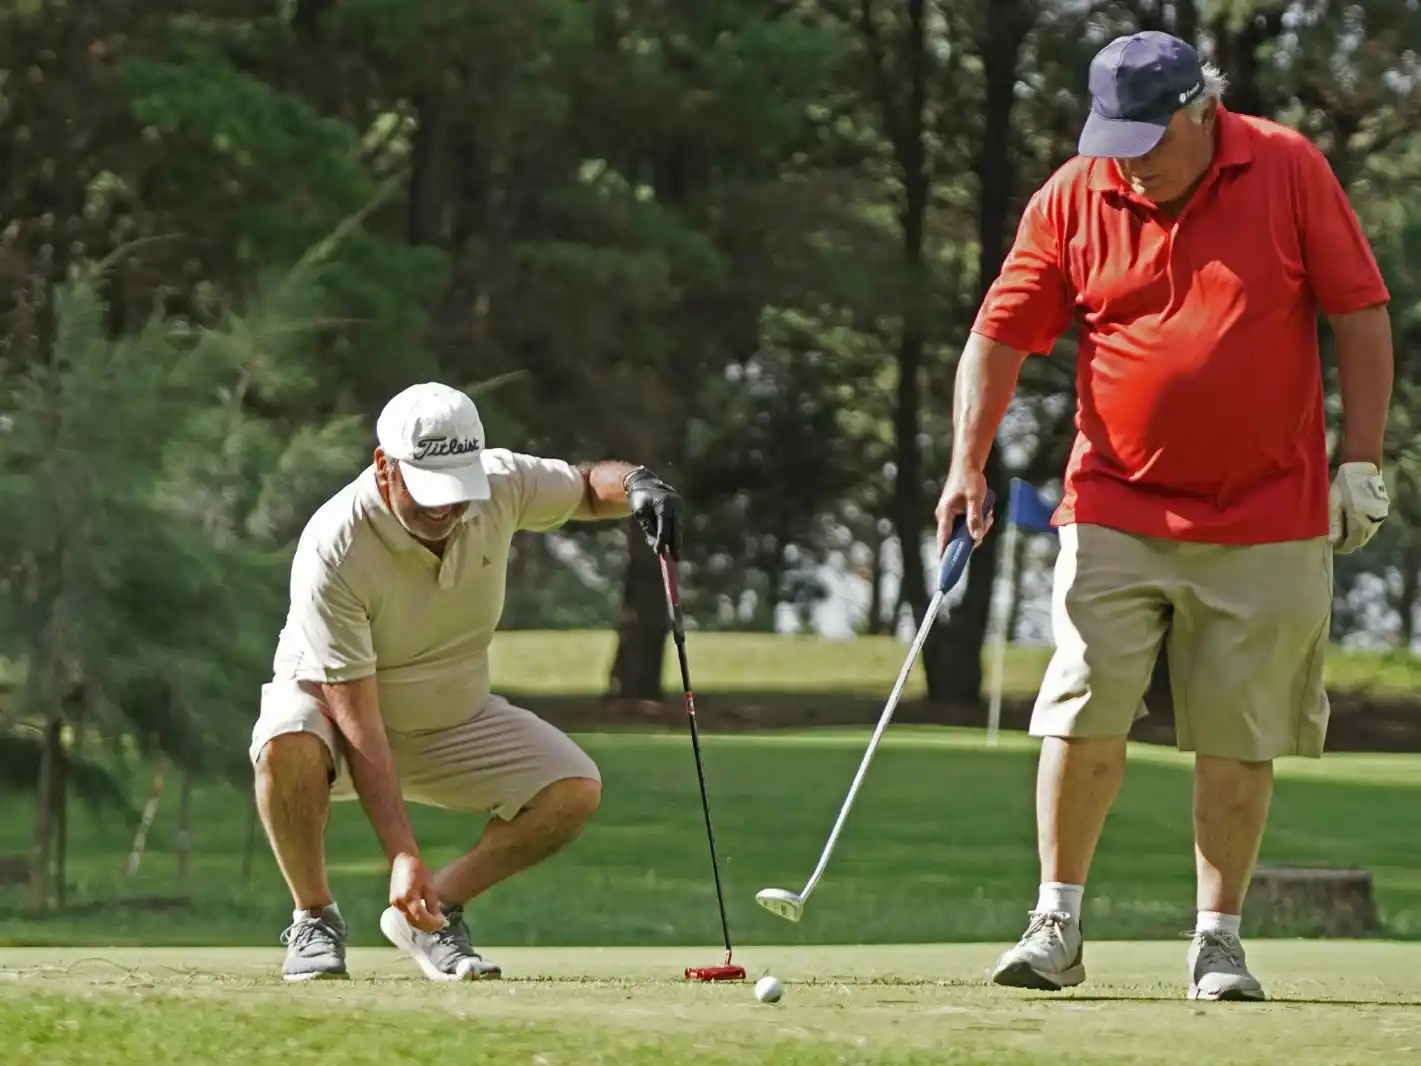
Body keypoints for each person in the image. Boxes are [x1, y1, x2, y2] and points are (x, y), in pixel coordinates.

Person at [935, 31, 1392, 1001]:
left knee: (1238, 730)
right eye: (1113, 139)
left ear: (1200, 111)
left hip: (1267, 508)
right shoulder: (1074, 191)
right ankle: (1054, 922)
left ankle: (1215, 942)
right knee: (1081, 694)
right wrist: (964, 464)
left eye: (1148, 138)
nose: (1130, 160)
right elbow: (997, 333)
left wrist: (1358, 463)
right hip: (1111, 497)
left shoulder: (1284, 166)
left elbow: (1358, 310)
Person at [250, 381, 684, 982]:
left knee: (571, 789)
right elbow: (357, 715)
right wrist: (402, 854)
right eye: (429, 495)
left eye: (456, 493)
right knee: (286, 743)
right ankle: (314, 918)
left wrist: (635, 483)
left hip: (452, 719)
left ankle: (433, 914)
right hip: (339, 723)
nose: (445, 511)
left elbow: (586, 489)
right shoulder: (336, 544)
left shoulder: (499, 481)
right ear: (385, 465)